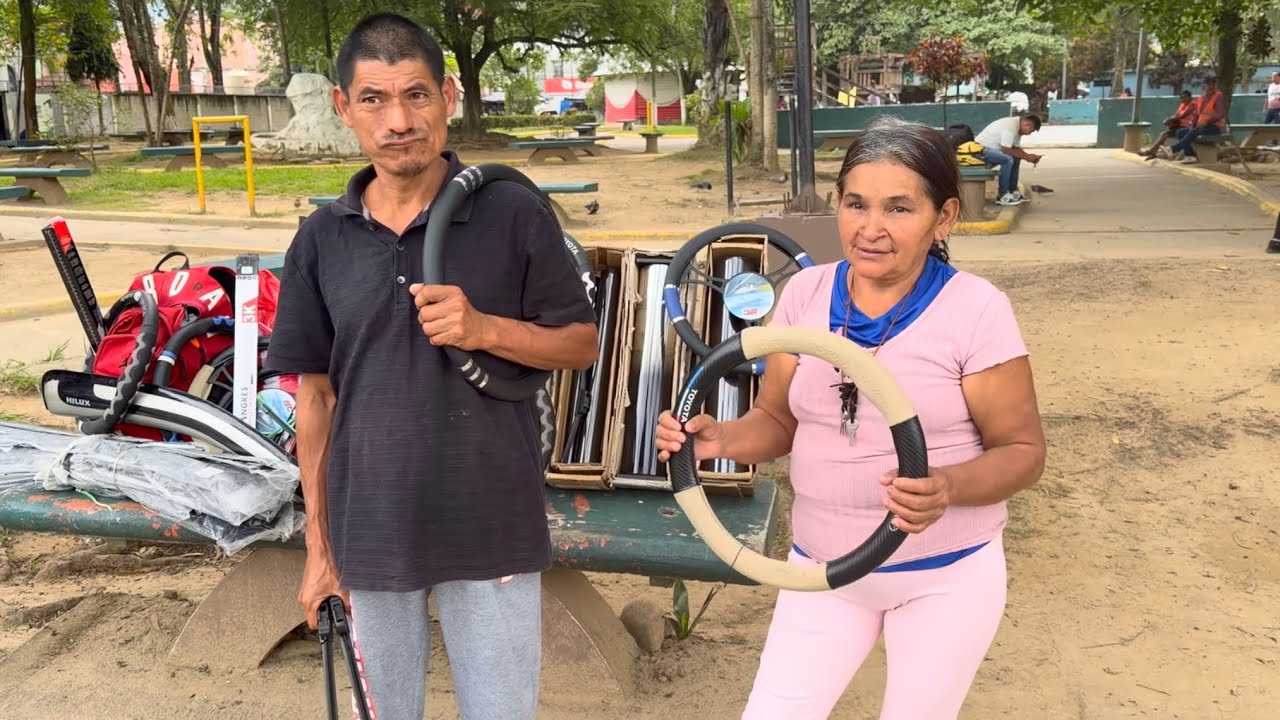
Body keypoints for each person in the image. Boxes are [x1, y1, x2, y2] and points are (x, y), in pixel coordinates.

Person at [264, 13, 599, 720]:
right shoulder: (321, 238)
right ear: (343, 107)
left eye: (416, 95)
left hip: (492, 521)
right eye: (374, 100)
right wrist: (319, 548)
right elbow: (315, 398)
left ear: (448, 95)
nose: (398, 121)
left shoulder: (512, 212)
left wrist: (484, 329)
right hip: (369, 529)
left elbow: (579, 344)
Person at [655, 116, 1046, 720]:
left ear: (943, 217)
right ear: (836, 202)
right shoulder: (806, 294)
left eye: (899, 208)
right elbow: (777, 421)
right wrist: (718, 440)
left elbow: (1023, 452)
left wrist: (946, 486)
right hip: (821, 571)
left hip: (944, 576)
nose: (870, 228)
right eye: (856, 203)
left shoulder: (976, 310)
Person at [973, 113, 1042, 206]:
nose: (1029, 134)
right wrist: (1027, 157)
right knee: (1007, 159)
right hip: (980, 151)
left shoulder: (1017, 128)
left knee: (1016, 158)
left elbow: (1016, 149)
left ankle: (1013, 192)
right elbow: (1006, 150)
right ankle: (1003, 195)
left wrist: (1028, 156)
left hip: (991, 150)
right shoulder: (1010, 126)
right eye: (1031, 131)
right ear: (1027, 125)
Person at [1169, 76, 1226, 164]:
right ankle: (1190, 156)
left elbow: (1220, 114)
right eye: (1209, 84)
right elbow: (1196, 114)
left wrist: (1206, 122)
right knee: (1180, 132)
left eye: (1213, 84)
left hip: (1216, 127)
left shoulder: (1218, 96)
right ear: (1204, 85)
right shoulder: (1201, 98)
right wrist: (1192, 125)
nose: (1211, 87)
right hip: (1201, 126)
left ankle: (1174, 149)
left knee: (1195, 130)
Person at [1140, 90, 1198, 159]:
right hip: (1179, 126)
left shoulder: (1193, 104)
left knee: (1164, 134)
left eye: (1184, 97)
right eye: (1181, 98)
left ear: (1189, 97)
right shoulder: (1182, 104)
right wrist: (1168, 119)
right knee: (1163, 134)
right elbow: (1176, 115)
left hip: (1186, 127)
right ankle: (1152, 152)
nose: (1182, 99)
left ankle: (1152, 152)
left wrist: (1170, 119)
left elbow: (1183, 115)